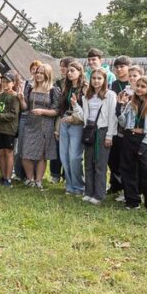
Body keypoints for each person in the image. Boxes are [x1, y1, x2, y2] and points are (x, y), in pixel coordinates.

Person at [117, 75, 147, 212]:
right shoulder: (131, 103)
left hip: (144, 140)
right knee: (128, 169)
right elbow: (124, 123)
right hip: (129, 137)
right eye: (138, 86)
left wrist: (146, 143)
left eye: (143, 87)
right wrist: (120, 108)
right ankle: (132, 201)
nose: (139, 89)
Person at [72, 68, 118, 204]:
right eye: (94, 78)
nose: (96, 81)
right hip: (89, 130)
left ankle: (99, 195)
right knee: (88, 162)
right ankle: (88, 192)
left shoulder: (110, 95)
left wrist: (109, 135)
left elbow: (112, 116)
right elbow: (83, 116)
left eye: (99, 78)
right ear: (90, 80)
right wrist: (75, 105)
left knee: (100, 164)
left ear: (104, 80)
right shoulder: (87, 96)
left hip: (103, 131)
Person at [19, 64, 60, 188]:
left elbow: (57, 111)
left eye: (41, 73)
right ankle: (30, 179)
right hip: (30, 124)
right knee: (26, 153)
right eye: (37, 72)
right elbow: (25, 107)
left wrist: (43, 112)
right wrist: (21, 100)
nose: (38, 75)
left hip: (45, 125)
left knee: (42, 154)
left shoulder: (54, 90)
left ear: (47, 75)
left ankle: (38, 181)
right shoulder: (30, 88)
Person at [57, 61, 86, 196]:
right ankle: (69, 186)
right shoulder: (66, 88)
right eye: (68, 71)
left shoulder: (85, 88)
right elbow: (61, 109)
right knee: (64, 156)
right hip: (64, 122)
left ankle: (79, 186)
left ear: (80, 72)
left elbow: (87, 111)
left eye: (73, 70)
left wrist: (74, 118)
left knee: (74, 157)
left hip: (77, 124)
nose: (69, 73)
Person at [0, 73, 20, 187]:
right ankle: (3, 176)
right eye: (3, 81)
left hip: (9, 129)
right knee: (0, 152)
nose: (5, 84)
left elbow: (13, 114)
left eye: (8, 82)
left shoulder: (15, 96)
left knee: (8, 153)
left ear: (13, 83)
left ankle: (8, 178)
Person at [107, 56, 133, 200]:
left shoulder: (134, 83)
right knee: (113, 158)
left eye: (122, 66)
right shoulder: (113, 85)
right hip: (115, 125)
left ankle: (126, 188)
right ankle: (115, 185)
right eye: (116, 67)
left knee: (126, 159)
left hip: (129, 127)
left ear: (129, 67)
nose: (119, 69)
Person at [49, 57, 72, 183]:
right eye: (62, 66)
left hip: (72, 118)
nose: (63, 69)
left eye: (66, 66)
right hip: (59, 117)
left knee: (70, 149)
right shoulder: (58, 83)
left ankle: (67, 175)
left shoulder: (76, 83)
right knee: (56, 147)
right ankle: (55, 174)